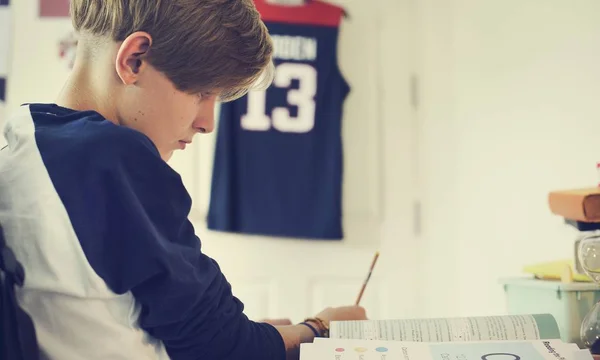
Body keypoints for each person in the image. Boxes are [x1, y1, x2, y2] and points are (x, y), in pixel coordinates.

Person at [0, 0, 367, 359]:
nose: (207, 122)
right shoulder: (113, 158)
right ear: (134, 60)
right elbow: (224, 348)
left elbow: (104, 313)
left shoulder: (25, 141)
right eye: (201, 93)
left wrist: (257, 332)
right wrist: (318, 326)